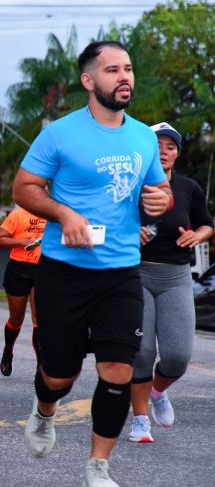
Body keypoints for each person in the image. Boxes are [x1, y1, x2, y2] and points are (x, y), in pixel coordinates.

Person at [12, 41, 172, 487]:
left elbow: (157, 194)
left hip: (121, 271)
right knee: (60, 373)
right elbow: (24, 188)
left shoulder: (143, 136)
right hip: (64, 270)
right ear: (89, 81)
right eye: (112, 70)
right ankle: (45, 409)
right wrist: (64, 214)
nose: (125, 77)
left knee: (118, 369)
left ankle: (97, 466)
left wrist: (161, 201)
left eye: (128, 68)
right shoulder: (60, 134)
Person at [128, 122, 213, 443]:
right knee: (142, 352)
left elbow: (206, 224)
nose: (163, 151)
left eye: (170, 146)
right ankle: (139, 421)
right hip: (135, 274)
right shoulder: (130, 184)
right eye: (157, 145)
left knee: (178, 355)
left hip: (176, 277)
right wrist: (128, 232)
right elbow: (106, 219)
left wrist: (197, 235)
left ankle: (157, 392)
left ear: (177, 154)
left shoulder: (188, 187)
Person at [0, 206, 46, 376]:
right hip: (19, 268)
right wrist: (21, 242)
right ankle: (8, 351)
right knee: (16, 319)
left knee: (39, 319)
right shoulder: (18, 214)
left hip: (44, 269)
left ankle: (41, 366)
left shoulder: (52, 212)